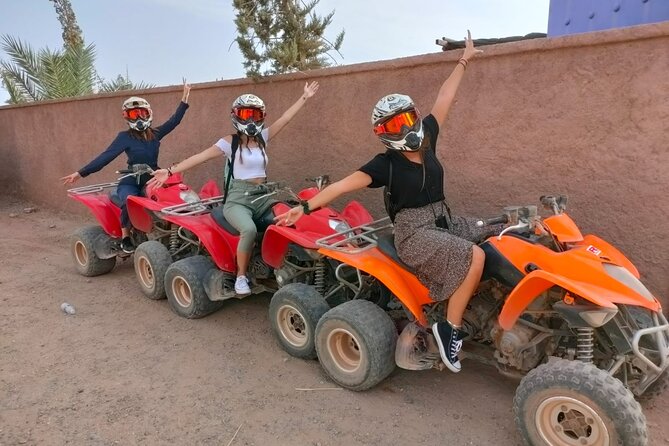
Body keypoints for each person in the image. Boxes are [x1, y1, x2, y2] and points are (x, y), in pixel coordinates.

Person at [275, 32, 496, 373]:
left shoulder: (428, 141)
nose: (405, 127)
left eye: (408, 119)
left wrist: (464, 60)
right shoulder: (384, 164)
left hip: (444, 222)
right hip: (413, 233)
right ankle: (448, 330)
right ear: (383, 131)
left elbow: (445, 97)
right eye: (395, 124)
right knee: (475, 255)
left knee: (500, 231)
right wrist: (303, 208)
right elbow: (342, 186)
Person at [148, 81, 320, 295]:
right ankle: (240, 276)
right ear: (236, 115)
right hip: (238, 200)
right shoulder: (230, 142)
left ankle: (285, 269)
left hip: (263, 196)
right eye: (246, 113)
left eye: (255, 115)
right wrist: (170, 170)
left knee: (290, 217)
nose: (250, 119)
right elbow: (200, 156)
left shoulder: (263, 138)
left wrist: (304, 97)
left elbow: (285, 119)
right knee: (248, 230)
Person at [61, 82, 192, 253]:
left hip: (152, 178)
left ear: (149, 114)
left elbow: (174, 121)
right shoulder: (124, 137)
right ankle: (126, 238)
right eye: (133, 114)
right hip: (130, 179)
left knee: (172, 197)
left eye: (142, 113)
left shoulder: (155, 134)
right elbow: (106, 156)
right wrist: (80, 173)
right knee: (129, 200)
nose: (138, 117)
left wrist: (185, 99)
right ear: (127, 116)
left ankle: (170, 233)